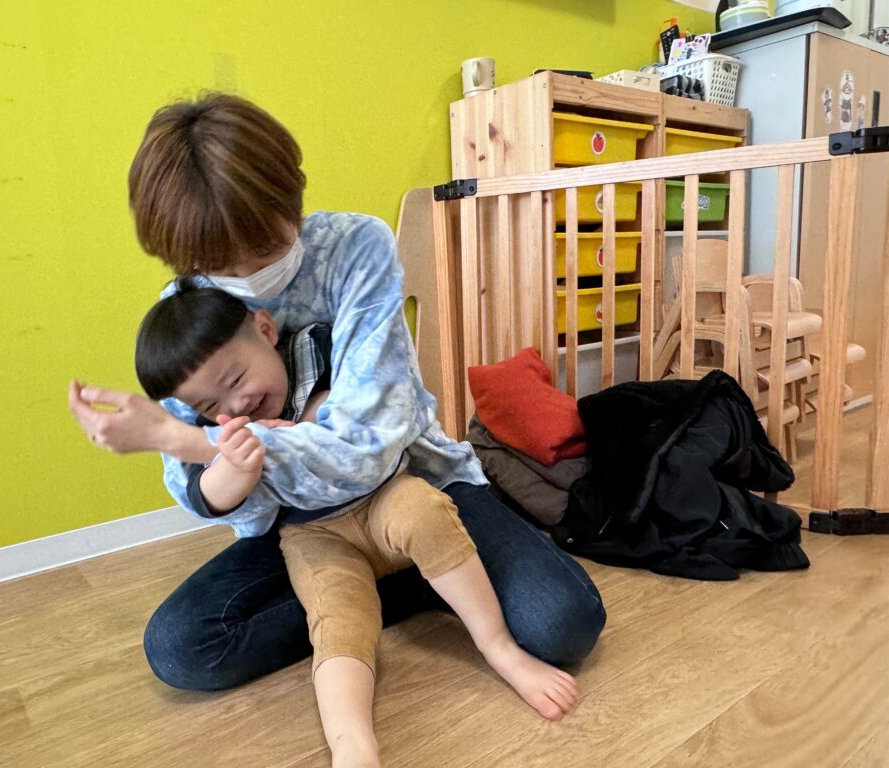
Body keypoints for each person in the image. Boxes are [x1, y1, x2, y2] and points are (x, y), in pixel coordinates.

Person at [67, 91, 605, 709]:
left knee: (565, 624)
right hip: (303, 526)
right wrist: (211, 457)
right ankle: (415, 581)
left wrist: (188, 440)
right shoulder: (183, 314)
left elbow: (367, 449)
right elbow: (208, 496)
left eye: (263, 249)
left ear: (292, 199)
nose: (245, 275)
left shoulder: (355, 249)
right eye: (219, 265)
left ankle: (420, 563)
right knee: (182, 648)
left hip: (415, 486)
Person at [133, 284, 579, 764]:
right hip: (312, 533)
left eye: (236, 377)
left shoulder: (321, 346)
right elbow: (205, 495)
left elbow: (376, 409)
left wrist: (310, 425)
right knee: (336, 620)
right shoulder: (218, 427)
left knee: (425, 514)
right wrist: (236, 469)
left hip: (385, 494)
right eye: (210, 405)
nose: (235, 403)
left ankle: (500, 649)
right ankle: (352, 744)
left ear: (265, 330)